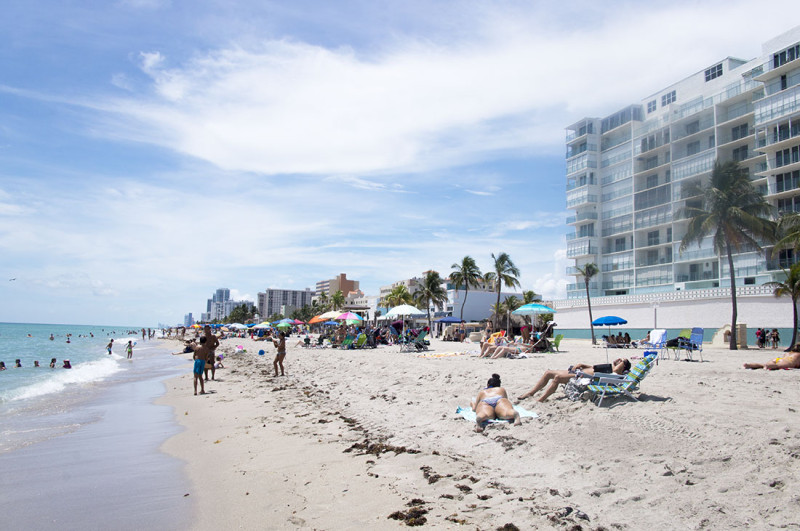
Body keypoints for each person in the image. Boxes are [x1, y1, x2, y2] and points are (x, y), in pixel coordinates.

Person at [518, 358, 632, 402]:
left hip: (583, 378)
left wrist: (624, 361)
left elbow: (619, 368)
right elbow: (593, 368)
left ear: (623, 367)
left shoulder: (616, 372)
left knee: (557, 378)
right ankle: (531, 393)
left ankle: (541, 399)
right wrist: (582, 364)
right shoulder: (611, 368)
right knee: (548, 373)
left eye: (621, 361)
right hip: (579, 372)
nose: (619, 360)